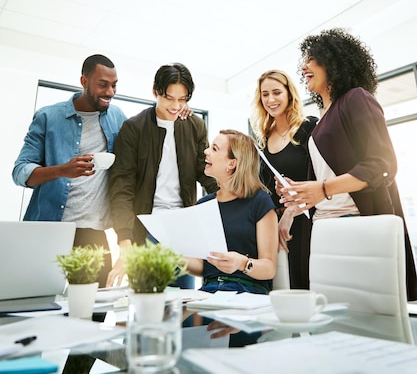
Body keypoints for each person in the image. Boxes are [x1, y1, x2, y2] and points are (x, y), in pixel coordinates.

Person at [279, 27, 417, 300]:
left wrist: (324, 188)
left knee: (364, 312)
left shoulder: (356, 98)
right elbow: (324, 176)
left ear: (333, 61)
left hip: (358, 224)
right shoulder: (321, 121)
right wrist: (300, 194)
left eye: (312, 58)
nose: (304, 66)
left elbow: (381, 164)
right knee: (332, 315)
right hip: (324, 230)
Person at [13, 54, 126, 287]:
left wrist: (181, 112)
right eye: (102, 84)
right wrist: (62, 170)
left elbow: (145, 133)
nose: (110, 92)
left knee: (94, 316)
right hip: (49, 233)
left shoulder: (117, 117)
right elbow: (21, 172)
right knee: (42, 310)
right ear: (84, 82)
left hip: (94, 235)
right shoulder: (48, 117)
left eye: (114, 85)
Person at [107, 63, 218, 288]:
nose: (176, 106)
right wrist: (125, 241)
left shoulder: (194, 126)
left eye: (183, 99)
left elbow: (206, 174)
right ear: (155, 92)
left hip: (183, 228)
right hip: (147, 226)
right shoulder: (134, 129)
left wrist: (235, 198)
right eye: (169, 98)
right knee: (149, 304)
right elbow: (122, 186)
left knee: (184, 302)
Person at [186, 129, 278, 345]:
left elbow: (269, 267)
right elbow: (203, 266)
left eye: (214, 149)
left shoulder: (260, 202)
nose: (206, 152)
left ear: (232, 164)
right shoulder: (203, 205)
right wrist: (171, 258)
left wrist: (242, 263)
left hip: (248, 294)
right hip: (208, 294)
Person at [250, 70, 317, 289]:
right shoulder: (263, 139)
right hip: (277, 227)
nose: (270, 100)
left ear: (289, 94)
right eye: (265, 94)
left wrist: (292, 209)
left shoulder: (308, 127)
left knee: (306, 286)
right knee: (281, 289)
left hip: (307, 219)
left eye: (277, 92)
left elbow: (319, 177)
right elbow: (265, 188)